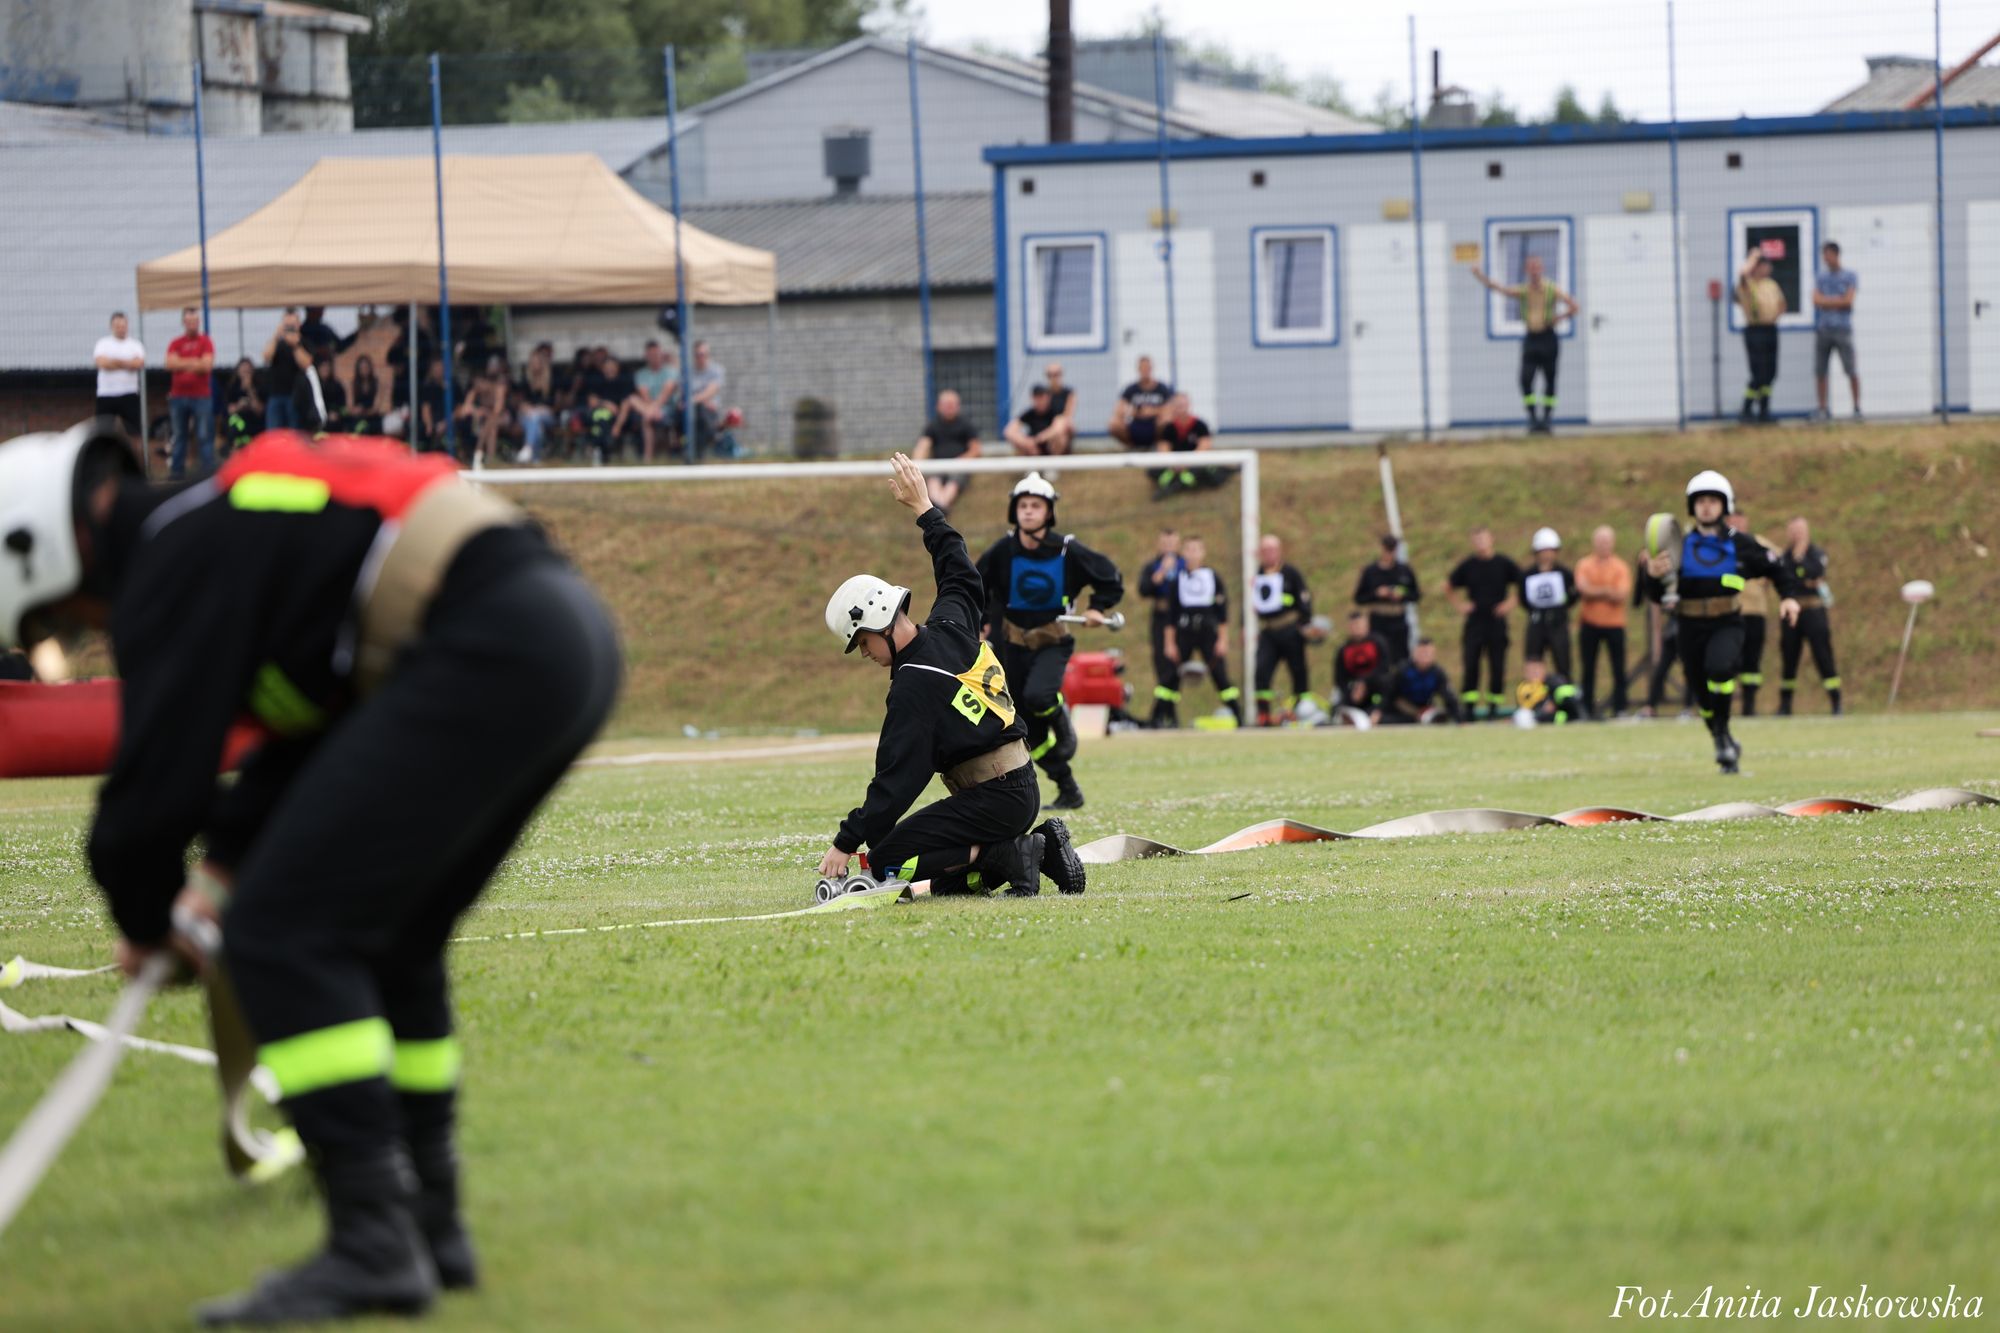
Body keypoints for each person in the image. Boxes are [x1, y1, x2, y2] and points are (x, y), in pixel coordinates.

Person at [0, 422, 622, 1324]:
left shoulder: (173, 560)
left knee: (280, 936)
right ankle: (431, 1221)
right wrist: (220, 866)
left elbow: (149, 799)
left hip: (490, 644)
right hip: (559, 635)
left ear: (50, 556)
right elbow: (308, 741)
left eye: (58, 624)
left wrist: (147, 922)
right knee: (396, 941)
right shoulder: (224, 524)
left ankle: (374, 1242)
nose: (86, 635)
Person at [819, 453, 1083, 900]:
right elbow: (957, 568)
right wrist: (925, 509)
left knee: (888, 860)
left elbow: (897, 780)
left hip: (992, 799)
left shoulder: (913, 683)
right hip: (1020, 787)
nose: (864, 653)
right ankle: (1040, 849)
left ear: (880, 623)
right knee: (944, 882)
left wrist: (847, 842)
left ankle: (1014, 852)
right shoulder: (952, 624)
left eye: (862, 641)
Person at [975, 474, 1123, 811]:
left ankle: (1061, 718)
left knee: (1039, 696)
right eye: (1023, 506)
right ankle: (1068, 788)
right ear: (1015, 511)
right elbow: (974, 587)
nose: (1028, 511)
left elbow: (1110, 578)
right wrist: (979, 623)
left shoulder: (1067, 550)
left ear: (1048, 512)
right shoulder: (1002, 551)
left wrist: (1097, 608)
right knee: (1026, 729)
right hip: (1012, 646)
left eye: (1036, 506)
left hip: (1053, 642)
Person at [1645, 470, 1804, 772]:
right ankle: (1722, 736)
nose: (1706, 507)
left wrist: (1789, 597)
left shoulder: (1740, 543)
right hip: (1688, 625)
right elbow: (1656, 594)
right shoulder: (1678, 546)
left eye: (1713, 501)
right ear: (1692, 506)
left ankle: (1723, 735)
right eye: (1701, 501)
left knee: (1720, 669)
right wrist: (1652, 575)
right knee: (1701, 695)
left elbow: (1777, 566)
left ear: (1724, 505)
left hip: (1727, 622)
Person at [1469, 254, 1578, 434]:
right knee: (1525, 379)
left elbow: (1574, 306)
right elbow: (1501, 289)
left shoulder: (1552, 289)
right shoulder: (1524, 291)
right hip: (1531, 339)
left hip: (1548, 337)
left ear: (1541, 269)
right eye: (1531, 268)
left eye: (1537, 268)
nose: (1534, 271)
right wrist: (1480, 276)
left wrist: (1558, 318)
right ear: (1527, 270)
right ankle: (1533, 418)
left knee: (1550, 380)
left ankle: (1546, 420)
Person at [1159, 535, 1241, 728]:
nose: (1192, 554)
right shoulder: (1178, 580)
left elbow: (1222, 613)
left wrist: (1223, 640)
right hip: (1184, 632)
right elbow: (1171, 616)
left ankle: (1238, 715)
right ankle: (1161, 716)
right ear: (1183, 553)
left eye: (1196, 549)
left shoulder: (1212, 577)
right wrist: (1169, 643)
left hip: (1207, 632)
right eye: (1188, 549)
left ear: (1203, 553)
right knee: (1171, 676)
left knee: (1220, 675)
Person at [1445, 525, 1520, 719]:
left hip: (1496, 622)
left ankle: (1494, 707)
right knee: (1471, 664)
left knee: (1497, 666)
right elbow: (1449, 586)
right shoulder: (1468, 565)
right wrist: (1460, 605)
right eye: (1477, 540)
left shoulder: (1503, 563)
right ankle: (1469, 708)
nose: (1481, 543)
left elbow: (1523, 583)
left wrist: (1509, 604)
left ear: (1491, 539)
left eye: (1484, 539)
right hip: (1475, 623)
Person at [1777, 515, 1842, 716]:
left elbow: (1815, 572)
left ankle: (1836, 702)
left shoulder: (1816, 553)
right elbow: (1785, 578)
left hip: (1814, 611)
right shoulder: (1784, 556)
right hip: (1791, 612)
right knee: (1789, 658)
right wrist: (1802, 576)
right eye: (1793, 531)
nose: (1797, 535)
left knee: (1823, 657)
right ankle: (1785, 705)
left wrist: (1800, 561)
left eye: (1800, 531)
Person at [1252, 534, 1316, 726]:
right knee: (1261, 670)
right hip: (1269, 631)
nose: (1269, 554)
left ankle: (1301, 711)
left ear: (1279, 551)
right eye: (1265, 550)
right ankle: (1263, 715)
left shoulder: (1290, 573)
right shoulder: (1257, 574)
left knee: (1298, 670)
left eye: (1272, 550)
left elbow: (1304, 599)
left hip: (1290, 629)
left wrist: (1304, 623)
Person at [1575, 524, 1633, 719]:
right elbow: (1583, 589)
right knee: (1588, 668)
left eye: (1606, 541)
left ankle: (1620, 708)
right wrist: (1607, 590)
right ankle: (1587, 709)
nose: (1603, 545)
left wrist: (1596, 590)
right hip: (1589, 623)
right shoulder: (1584, 564)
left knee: (1618, 668)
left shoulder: (1620, 567)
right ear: (1594, 542)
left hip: (1615, 624)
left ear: (1613, 543)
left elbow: (1621, 594)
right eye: (1600, 541)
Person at [1726, 511, 1781, 716]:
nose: (1737, 526)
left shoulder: (1756, 543)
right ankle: (1724, 706)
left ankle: (1749, 707)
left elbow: (1778, 560)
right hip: (1731, 609)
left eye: (1740, 522)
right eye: (1733, 522)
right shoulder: (1723, 543)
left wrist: (1767, 578)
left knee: (1752, 660)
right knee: (1730, 659)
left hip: (1756, 611)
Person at [1135, 527, 1184, 728]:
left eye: (1172, 544)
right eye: (1165, 544)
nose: (1169, 548)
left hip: (1180, 620)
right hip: (1161, 619)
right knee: (1162, 665)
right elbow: (1143, 589)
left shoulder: (1185, 565)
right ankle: (1166, 716)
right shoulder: (1153, 566)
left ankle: (1162, 715)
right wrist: (1161, 572)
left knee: (1175, 669)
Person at [163, 307, 217, 479]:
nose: (192, 324)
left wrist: (181, 362)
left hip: (201, 397)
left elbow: (206, 366)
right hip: (178, 397)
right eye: (189, 321)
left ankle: (207, 473)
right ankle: (176, 472)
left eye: (195, 321)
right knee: (179, 436)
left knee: (204, 435)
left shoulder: (206, 342)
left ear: (198, 322)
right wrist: (194, 361)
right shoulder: (175, 343)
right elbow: (170, 364)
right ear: (183, 322)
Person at [1519, 526, 1577, 683]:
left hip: (1558, 624)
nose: (1546, 554)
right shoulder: (1528, 575)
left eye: (1550, 550)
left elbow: (1573, 595)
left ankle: (1565, 695)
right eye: (1543, 551)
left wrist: (1561, 610)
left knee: (1563, 663)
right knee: (1533, 664)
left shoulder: (1564, 573)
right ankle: (1534, 695)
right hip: (1536, 624)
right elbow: (1523, 599)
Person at [1634, 543, 1685, 718]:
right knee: (1662, 667)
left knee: (1692, 669)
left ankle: (1689, 707)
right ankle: (1650, 706)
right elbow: (1640, 598)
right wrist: (1645, 569)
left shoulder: (1686, 565)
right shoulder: (1663, 568)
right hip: (1674, 625)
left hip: (1689, 624)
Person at [1736, 247, 1786, 424]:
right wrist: (1753, 257)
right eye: (1764, 264)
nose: (1768, 267)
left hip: (1770, 329)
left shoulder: (1771, 285)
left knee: (1770, 373)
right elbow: (1742, 273)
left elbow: (1782, 304)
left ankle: (1764, 411)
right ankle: (1746, 409)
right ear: (1756, 267)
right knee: (1758, 373)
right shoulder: (1747, 284)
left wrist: (1773, 316)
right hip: (1755, 330)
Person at [1352, 534, 1419, 665]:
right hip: (1379, 620)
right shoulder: (1371, 572)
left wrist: (1402, 595)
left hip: (1398, 619)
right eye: (1387, 549)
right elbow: (1359, 598)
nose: (1389, 554)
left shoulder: (1404, 570)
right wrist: (1376, 594)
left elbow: (1415, 594)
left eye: (1392, 550)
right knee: (1378, 658)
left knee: (1401, 660)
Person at [1812, 241, 1860, 421]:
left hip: (1842, 329)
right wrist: (1837, 301)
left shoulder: (1850, 276)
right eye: (1824, 255)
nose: (1825, 259)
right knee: (1820, 371)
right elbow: (1816, 300)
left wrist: (1827, 301)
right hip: (1824, 329)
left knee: (1851, 369)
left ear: (1836, 254)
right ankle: (1822, 409)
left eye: (1827, 255)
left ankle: (1856, 408)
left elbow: (1848, 301)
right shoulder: (1820, 277)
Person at [913, 389, 981, 515]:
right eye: (946, 405)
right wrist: (915, 466)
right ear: (938, 406)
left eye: (952, 405)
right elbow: (922, 446)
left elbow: (975, 449)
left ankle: (938, 508)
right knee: (933, 480)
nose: (949, 408)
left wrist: (961, 460)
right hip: (938, 465)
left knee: (954, 482)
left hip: (959, 465)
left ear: (958, 406)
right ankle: (940, 508)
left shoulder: (966, 425)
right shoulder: (933, 425)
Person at [617, 341, 678, 463]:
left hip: (667, 408)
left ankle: (648, 456)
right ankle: (648, 456)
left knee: (646, 417)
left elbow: (666, 392)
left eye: (656, 354)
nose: (654, 357)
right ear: (646, 356)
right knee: (633, 400)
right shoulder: (641, 374)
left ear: (661, 354)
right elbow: (644, 394)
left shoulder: (671, 372)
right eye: (651, 355)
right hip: (648, 407)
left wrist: (655, 408)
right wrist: (652, 410)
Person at [1153, 393, 1222, 496]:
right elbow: (1163, 449)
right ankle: (1178, 482)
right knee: (1153, 470)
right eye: (1178, 406)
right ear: (1173, 407)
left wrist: (1186, 463)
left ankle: (1175, 486)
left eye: (1183, 405)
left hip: (1193, 463)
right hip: (1174, 464)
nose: (1181, 409)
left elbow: (1204, 447)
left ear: (1189, 405)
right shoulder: (1169, 427)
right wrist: (1173, 464)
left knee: (1207, 470)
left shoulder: (1200, 425)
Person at [1333, 609, 1393, 725]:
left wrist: (1364, 682)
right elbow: (1339, 677)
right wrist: (1353, 689)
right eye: (1354, 625)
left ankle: (1377, 713)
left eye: (1359, 625)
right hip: (1353, 690)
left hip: (1375, 687)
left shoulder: (1378, 643)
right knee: (1340, 698)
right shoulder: (1344, 649)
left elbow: (1384, 668)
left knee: (1385, 686)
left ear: (1367, 625)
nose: (1357, 628)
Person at [92, 311, 146, 439]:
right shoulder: (102, 344)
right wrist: (126, 363)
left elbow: (138, 364)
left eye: (123, 326)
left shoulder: (135, 345)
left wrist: (114, 362)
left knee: (134, 431)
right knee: (103, 432)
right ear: (111, 327)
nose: (121, 329)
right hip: (106, 394)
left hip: (129, 393)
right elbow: (101, 363)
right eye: (117, 326)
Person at [1384, 638, 1460, 724]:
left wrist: (1459, 718)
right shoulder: (1403, 670)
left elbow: (1449, 697)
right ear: (1414, 654)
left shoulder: (1437, 672)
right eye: (1422, 653)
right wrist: (1415, 712)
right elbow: (1390, 696)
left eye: (1428, 653)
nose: (1425, 657)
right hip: (1402, 712)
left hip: (1425, 709)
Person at [1108, 355, 1171, 451]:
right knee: (1113, 424)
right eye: (1142, 368)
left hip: (1154, 425)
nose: (1145, 370)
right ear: (1138, 369)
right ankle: (1132, 447)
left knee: (1166, 422)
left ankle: (1158, 446)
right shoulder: (1131, 389)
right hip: (1135, 424)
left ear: (1151, 369)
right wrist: (1134, 412)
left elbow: (1170, 409)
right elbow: (1119, 409)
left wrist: (1153, 411)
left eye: (1147, 368)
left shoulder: (1162, 388)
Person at [264, 309, 312, 433]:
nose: (289, 329)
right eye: (287, 325)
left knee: (295, 433)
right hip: (276, 395)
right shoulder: (277, 343)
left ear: (298, 324)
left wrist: (295, 345)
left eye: (292, 325)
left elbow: (306, 364)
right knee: (274, 433)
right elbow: (266, 357)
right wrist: (276, 337)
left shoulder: (304, 343)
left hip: (296, 396)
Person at [677, 341, 726, 458]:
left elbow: (710, 392)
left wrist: (692, 401)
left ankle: (699, 451)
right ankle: (690, 449)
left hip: (709, 411)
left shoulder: (717, 370)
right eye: (698, 355)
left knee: (701, 411)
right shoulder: (687, 372)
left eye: (704, 354)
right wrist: (694, 401)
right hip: (691, 409)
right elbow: (682, 391)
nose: (701, 358)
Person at [512, 344, 558, 464]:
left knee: (535, 417)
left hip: (547, 415)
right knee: (536, 423)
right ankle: (535, 458)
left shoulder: (551, 380)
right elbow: (520, 401)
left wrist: (540, 409)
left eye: (537, 362)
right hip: (528, 414)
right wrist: (526, 407)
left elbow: (554, 404)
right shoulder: (525, 380)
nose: (534, 365)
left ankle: (528, 449)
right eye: (532, 362)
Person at [1003, 384, 1073, 456]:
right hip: (1034, 449)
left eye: (1042, 397)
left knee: (1060, 437)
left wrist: (1040, 438)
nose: (1040, 401)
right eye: (1037, 397)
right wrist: (1026, 441)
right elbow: (1009, 431)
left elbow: (1058, 428)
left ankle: (1056, 461)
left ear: (1048, 397)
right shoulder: (1029, 413)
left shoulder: (1055, 411)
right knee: (1019, 442)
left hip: (1051, 448)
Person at [1512, 657, 1583, 725]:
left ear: (1543, 669)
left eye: (1536, 670)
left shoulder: (1554, 682)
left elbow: (1570, 698)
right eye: (1530, 671)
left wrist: (1554, 703)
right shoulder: (1522, 688)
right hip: (1536, 717)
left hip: (1561, 716)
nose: (1534, 673)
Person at [222, 358, 264, 454]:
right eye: (243, 370)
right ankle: (234, 449)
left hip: (254, 423)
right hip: (238, 423)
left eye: (248, 370)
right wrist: (239, 406)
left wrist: (250, 389)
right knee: (234, 422)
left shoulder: (259, 387)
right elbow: (229, 410)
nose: (245, 373)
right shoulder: (232, 388)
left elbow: (259, 410)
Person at [344, 355, 386, 437]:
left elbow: (376, 407)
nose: (364, 370)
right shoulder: (353, 384)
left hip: (371, 417)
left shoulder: (377, 383)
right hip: (356, 417)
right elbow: (349, 406)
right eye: (362, 368)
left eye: (366, 367)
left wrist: (365, 412)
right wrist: (356, 410)